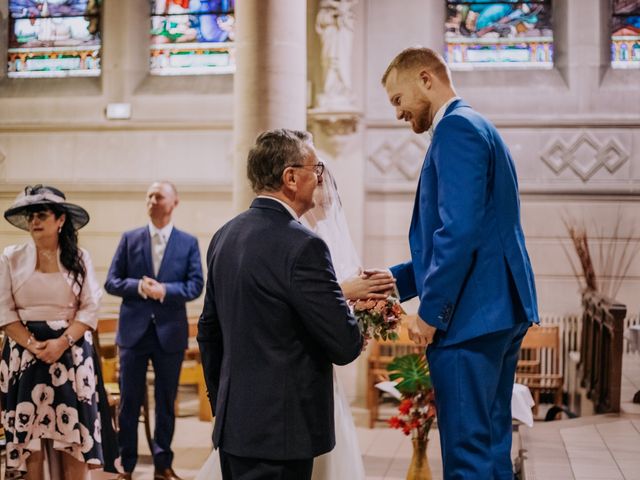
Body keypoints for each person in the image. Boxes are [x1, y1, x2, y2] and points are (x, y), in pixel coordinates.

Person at [381, 47, 539, 480]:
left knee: (467, 454)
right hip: (493, 311)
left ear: (426, 79)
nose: (398, 113)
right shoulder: (478, 125)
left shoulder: (455, 130)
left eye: (399, 99)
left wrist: (431, 313)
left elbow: (458, 233)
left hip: (470, 319)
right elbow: (474, 235)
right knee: (489, 447)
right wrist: (390, 283)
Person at [194, 156, 394, 480]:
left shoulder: (224, 236)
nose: (319, 178)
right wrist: (353, 323)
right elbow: (344, 346)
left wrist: (223, 405)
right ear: (290, 177)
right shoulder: (304, 245)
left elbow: (208, 331)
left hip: (234, 425)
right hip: (283, 432)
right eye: (314, 170)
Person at [0, 184, 117, 479]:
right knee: (32, 443)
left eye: (41, 215)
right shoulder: (10, 256)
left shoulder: (79, 258)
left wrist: (60, 343)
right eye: (30, 216)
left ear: (60, 219)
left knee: (72, 440)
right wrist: (32, 344)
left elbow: (90, 308)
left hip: (71, 355)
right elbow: (3, 309)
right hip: (24, 356)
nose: (34, 222)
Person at [104, 181, 204, 480]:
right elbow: (112, 281)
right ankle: (127, 464)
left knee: (165, 401)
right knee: (129, 402)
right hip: (133, 333)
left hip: (170, 333)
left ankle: (163, 464)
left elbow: (195, 285)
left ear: (174, 203)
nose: (151, 200)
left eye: (158, 196)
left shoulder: (187, 242)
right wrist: (138, 287)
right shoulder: (129, 238)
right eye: (148, 196)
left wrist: (164, 290)